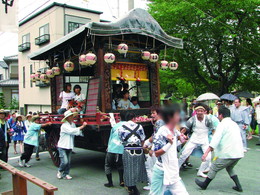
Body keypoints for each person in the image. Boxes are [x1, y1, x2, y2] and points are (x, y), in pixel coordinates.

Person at [195, 106, 244, 192]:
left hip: (228, 153)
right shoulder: (234, 124)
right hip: (238, 153)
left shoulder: (222, 125)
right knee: (230, 168)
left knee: (214, 167)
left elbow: (215, 140)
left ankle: (204, 184)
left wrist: (206, 153)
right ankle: (238, 186)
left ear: (221, 115)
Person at [150, 105, 189, 195]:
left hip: (172, 169)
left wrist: (182, 138)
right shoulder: (162, 131)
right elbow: (157, 153)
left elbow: (179, 139)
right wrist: (169, 144)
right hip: (161, 169)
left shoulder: (174, 130)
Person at [178, 104, 214, 178]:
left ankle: (200, 171)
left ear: (204, 112)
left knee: (208, 157)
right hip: (194, 138)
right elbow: (185, 127)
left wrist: (214, 139)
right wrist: (180, 134)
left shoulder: (208, 119)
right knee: (184, 154)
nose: (200, 112)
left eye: (201, 111)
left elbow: (213, 130)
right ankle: (176, 170)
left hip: (204, 139)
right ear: (196, 112)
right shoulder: (193, 119)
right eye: (198, 111)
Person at [118, 112, 147, 195]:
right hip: (138, 149)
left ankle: (131, 187)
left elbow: (121, 139)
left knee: (128, 169)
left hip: (128, 149)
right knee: (137, 168)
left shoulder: (121, 127)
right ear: (134, 118)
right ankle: (134, 186)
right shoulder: (139, 126)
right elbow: (142, 138)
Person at [57, 110, 87, 180]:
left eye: (72, 116)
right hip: (62, 146)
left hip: (69, 145)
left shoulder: (73, 124)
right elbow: (71, 131)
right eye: (70, 116)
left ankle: (66, 174)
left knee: (69, 162)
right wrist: (82, 126)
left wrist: (81, 132)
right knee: (65, 161)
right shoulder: (64, 126)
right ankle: (60, 171)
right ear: (67, 118)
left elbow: (75, 132)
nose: (72, 117)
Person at [143, 107, 165, 191]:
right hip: (160, 148)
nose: (152, 115)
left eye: (153, 113)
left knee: (150, 166)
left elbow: (156, 136)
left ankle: (152, 185)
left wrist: (148, 143)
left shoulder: (159, 123)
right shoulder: (162, 122)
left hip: (156, 147)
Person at [104, 113, 125, 188]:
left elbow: (111, 137)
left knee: (108, 165)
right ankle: (121, 181)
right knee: (120, 165)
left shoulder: (116, 126)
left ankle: (110, 182)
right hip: (121, 149)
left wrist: (108, 147)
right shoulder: (129, 126)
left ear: (120, 118)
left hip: (112, 148)